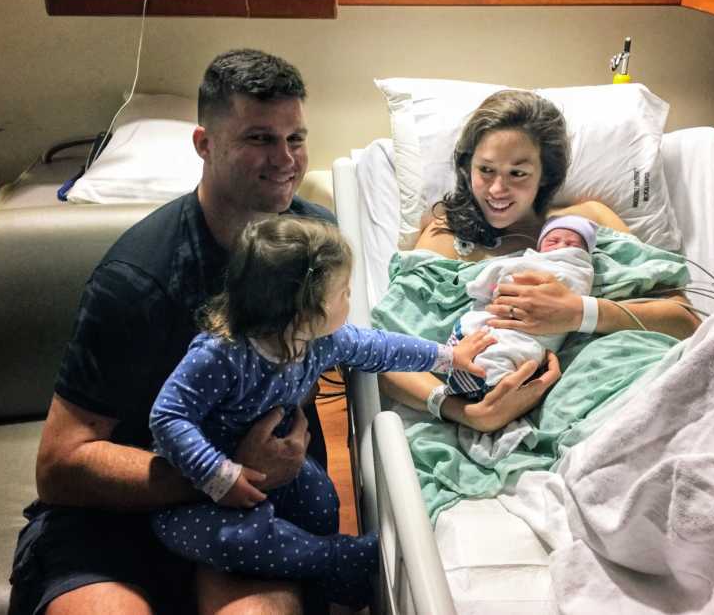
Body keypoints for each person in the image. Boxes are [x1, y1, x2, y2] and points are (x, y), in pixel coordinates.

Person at [9, 49, 347, 615]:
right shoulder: (138, 281)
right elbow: (60, 467)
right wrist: (221, 473)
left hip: (255, 507)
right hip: (124, 508)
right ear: (204, 145)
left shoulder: (315, 240)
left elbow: (353, 345)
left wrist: (450, 391)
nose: (285, 159)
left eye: (296, 138)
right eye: (260, 139)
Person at [149, 215, 493, 609]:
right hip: (195, 495)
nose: (350, 300)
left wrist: (449, 357)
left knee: (323, 502)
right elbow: (168, 416)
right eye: (345, 292)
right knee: (242, 540)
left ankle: (317, 569)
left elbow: (381, 348)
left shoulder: (323, 341)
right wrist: (218, 475)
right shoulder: (222, 355)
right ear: (307, 310)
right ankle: (333, 559)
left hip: (271, 468)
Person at [379, 89, 701, 430]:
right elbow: (386, 357)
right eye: (486, 170)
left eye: (518, 174)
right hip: (547, 421)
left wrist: (578, 312)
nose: (497, 189)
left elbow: (685, 323)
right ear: (467, 166)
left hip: (630, 388)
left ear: (545, 173)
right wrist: (469, 414)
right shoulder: (447, 238)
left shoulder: (587, 222)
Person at [446, 214, 597, 401]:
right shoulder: (530, 261)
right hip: (501, 315)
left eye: (573, 245)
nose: (561, 247)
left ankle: (489, 386)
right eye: (553, 241)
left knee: (514, 351)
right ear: (540, 246)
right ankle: (464, 374)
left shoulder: (580, 270)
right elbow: (506, 272)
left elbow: (576, 292)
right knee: (477, 333)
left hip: (540, 332)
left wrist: (480, 288)